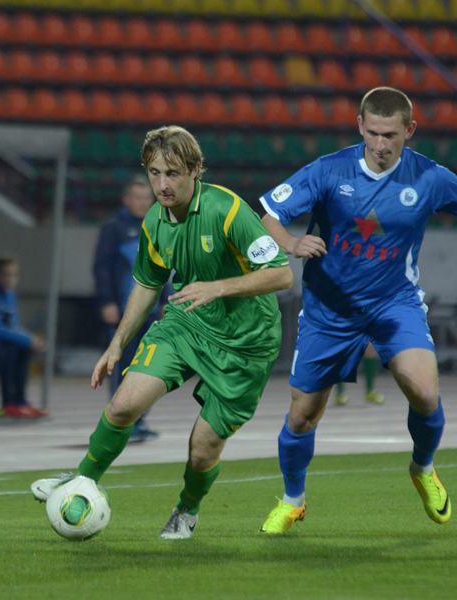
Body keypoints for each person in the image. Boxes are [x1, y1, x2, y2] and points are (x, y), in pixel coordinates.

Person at [257, 87, 457, 534]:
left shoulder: (429, 177)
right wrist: (290, 243)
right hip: (329, 310)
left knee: (425, 392)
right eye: (373, 133)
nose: (380, 145)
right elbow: (267, 213)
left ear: (409, 130)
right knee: (302, 415)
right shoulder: (328, 170)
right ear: (360, 126)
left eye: (391, 135)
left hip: (394, 304)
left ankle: (423, 468)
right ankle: (293, 500)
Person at [31, 125, 293, 539]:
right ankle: (82, 478)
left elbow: (281, 274)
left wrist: (217, 287)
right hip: (186, 324)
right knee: (123, 404)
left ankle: (187, 509)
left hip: (246, 344)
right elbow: (148, 284)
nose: (162, 184)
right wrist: (116, 343)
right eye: (154, 173)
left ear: (195, 170)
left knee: (203, 450)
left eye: (172, 173)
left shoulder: (228, 210)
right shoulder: (154, 218)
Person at [94, 175, 163, 442]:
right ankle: (118, 425)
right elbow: (101, 268)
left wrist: (166, 301)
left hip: (152, 311)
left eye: (147, 198)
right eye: (137, 197)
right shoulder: (114, 228)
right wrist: (106, 302)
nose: (143, 203)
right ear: (126, 199)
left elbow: (163, 268)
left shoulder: (158, 225)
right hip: (123, 312)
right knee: (122, 367)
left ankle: (138, 420)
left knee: (148, 368)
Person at [0, 257, 47, 418]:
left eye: (14, 275)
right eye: (5, 275)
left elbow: (14, 325)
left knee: (24, 348)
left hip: (0, 338)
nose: (9, 279)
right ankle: (9, 402)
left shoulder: (10, 293)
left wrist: (32, 339)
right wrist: (28, 340)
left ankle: (20, 401)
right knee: (11, 348)